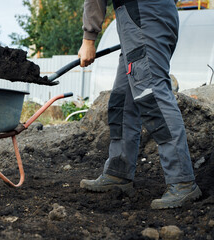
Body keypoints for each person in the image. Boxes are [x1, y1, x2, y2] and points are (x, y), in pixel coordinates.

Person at [77, 0, 202, 209]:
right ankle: (118, 172)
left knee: (152, 96)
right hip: (138, 16)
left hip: (143, 13)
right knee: (122, 100)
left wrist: (89, 38)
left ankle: (182, 182)